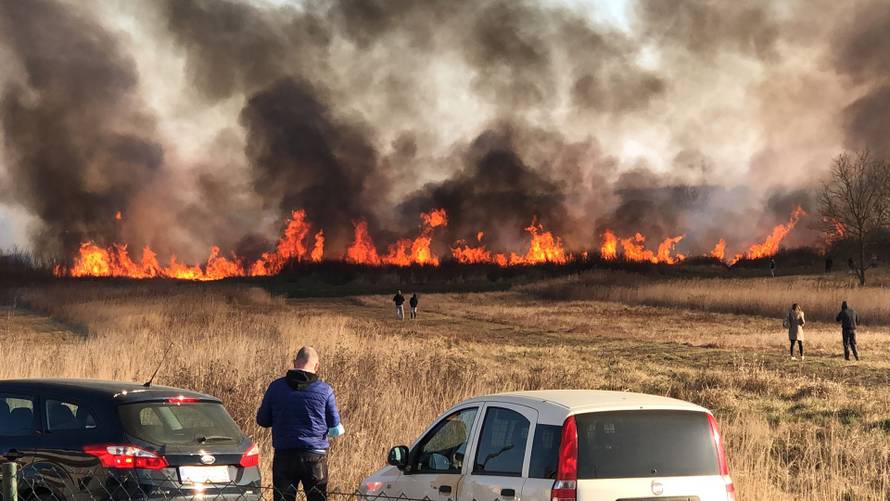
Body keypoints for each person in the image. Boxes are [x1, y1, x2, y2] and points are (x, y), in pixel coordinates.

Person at [257, 347, 345, 501]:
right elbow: (334, 425)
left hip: (284, 455)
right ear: (317, 366)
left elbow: (262, 421)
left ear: (294, 363)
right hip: (315, 456)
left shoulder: (275, 387)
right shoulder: (325, 391)